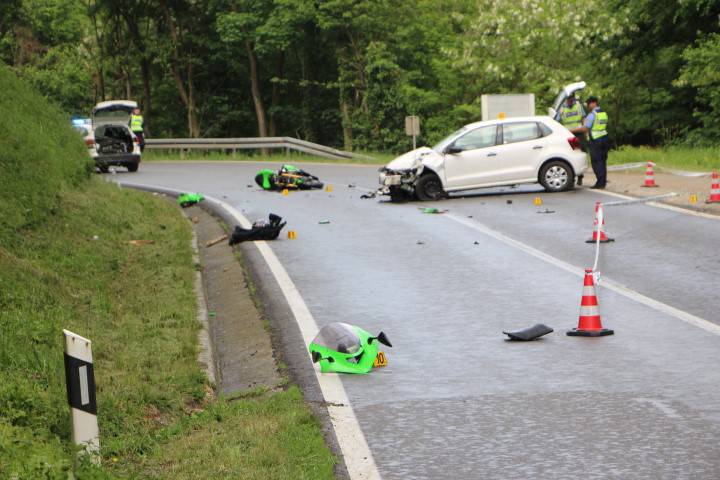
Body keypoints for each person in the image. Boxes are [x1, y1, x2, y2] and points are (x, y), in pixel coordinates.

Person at [572, 96, 609, 189]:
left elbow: (585, 128)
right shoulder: (603, 113)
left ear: (594, 103)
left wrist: (572, 131)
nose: (588, 106)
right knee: (603, 162)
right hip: (605, 138)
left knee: (596, 162)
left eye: (589, 104)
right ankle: (603, 182)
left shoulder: (592, 114)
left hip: (596, 140)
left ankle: (599, 184)